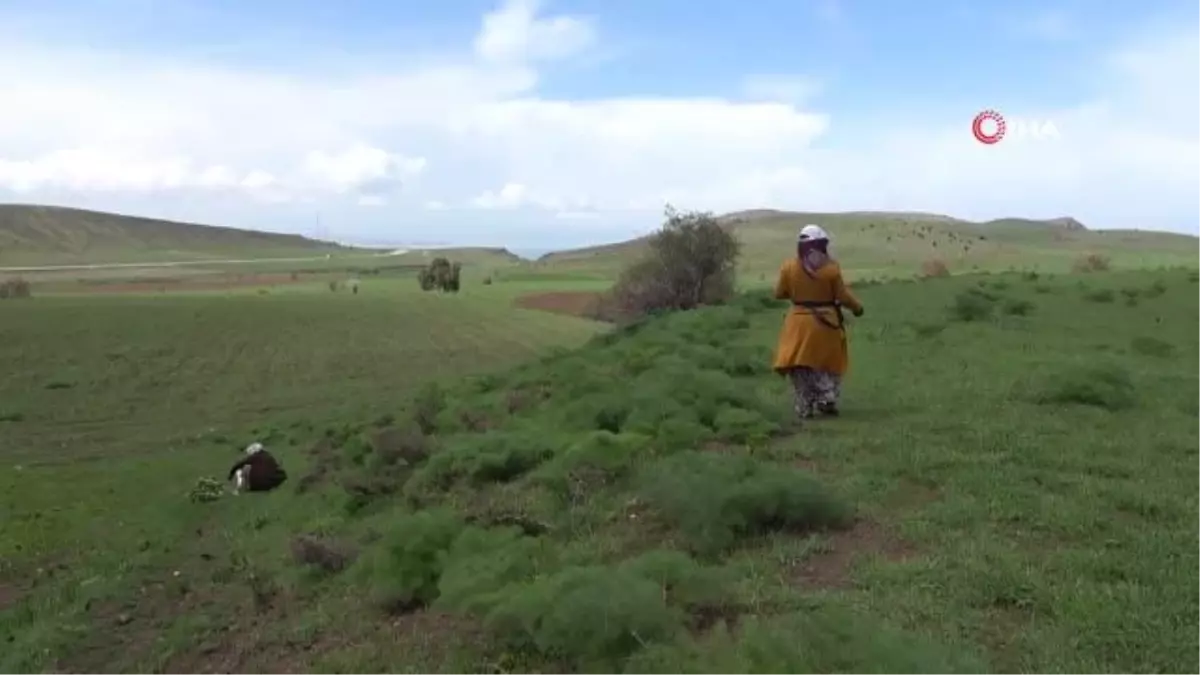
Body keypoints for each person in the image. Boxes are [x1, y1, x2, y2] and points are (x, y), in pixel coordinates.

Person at [772, 224, 864, 420]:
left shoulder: (788, 267)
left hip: (797, 325)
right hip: (826, 324)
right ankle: (827, 398)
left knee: (800, 366)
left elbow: (779, 293)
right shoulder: (831, 268)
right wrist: (857, 309)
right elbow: (843, 295)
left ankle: (805, 406)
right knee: (828, 364)